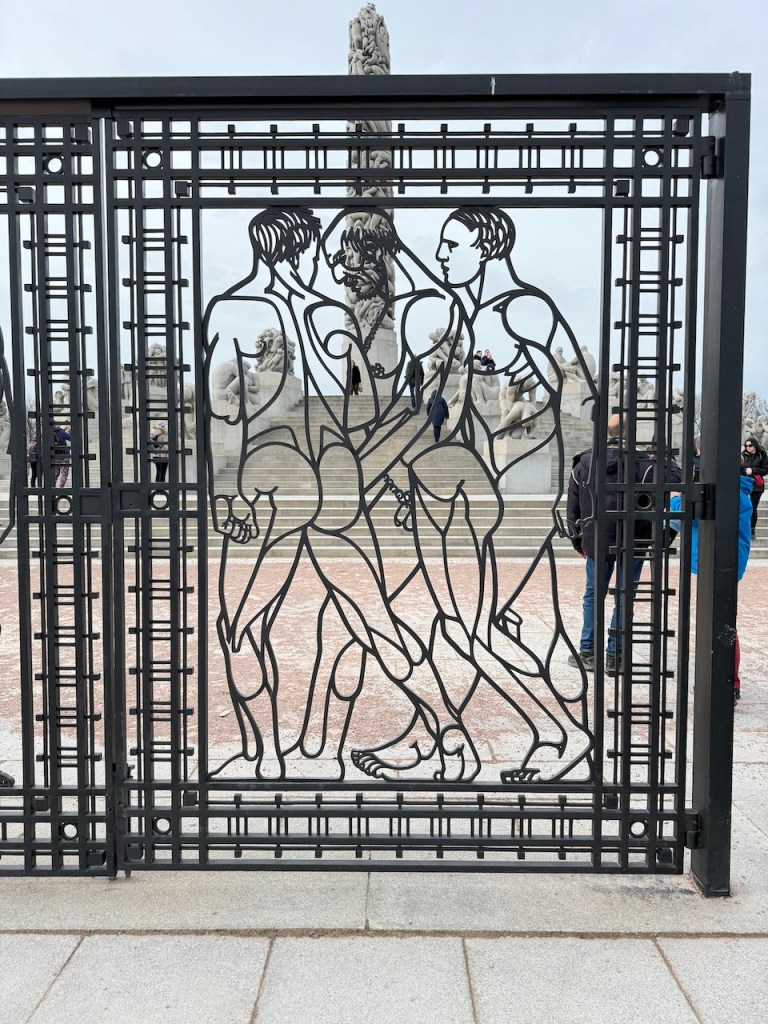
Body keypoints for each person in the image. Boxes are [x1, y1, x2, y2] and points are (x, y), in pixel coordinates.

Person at [567, 413, 654, 673]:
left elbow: (573, 508)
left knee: (594, 596)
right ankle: (615, 656)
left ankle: (588, 652)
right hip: (634, 537)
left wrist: (577, 541)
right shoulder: (642, 462)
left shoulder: (584, 461)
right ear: (628, 432)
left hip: (597, 537)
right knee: (624, 598)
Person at [670, 470, 753, 704]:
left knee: (720, 622)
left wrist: (674, 496)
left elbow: (684, 511)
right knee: (717, 619)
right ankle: (722, 678)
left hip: (716, 562)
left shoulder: (725, 494)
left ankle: (725, 681)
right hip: (726, 562)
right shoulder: (740, 492)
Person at [741, 435, 767, 537]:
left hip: (757, 485)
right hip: (745, 484)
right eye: (746, 446)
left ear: (755, 445)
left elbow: (765, 470)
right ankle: (745, 527)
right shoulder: (743, 455)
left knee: (753, 506)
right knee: (745, 506)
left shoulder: (762, 455)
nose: (748, 447)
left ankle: (752, 529)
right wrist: (745, 471)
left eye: (750, 445)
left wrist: (753, 471)